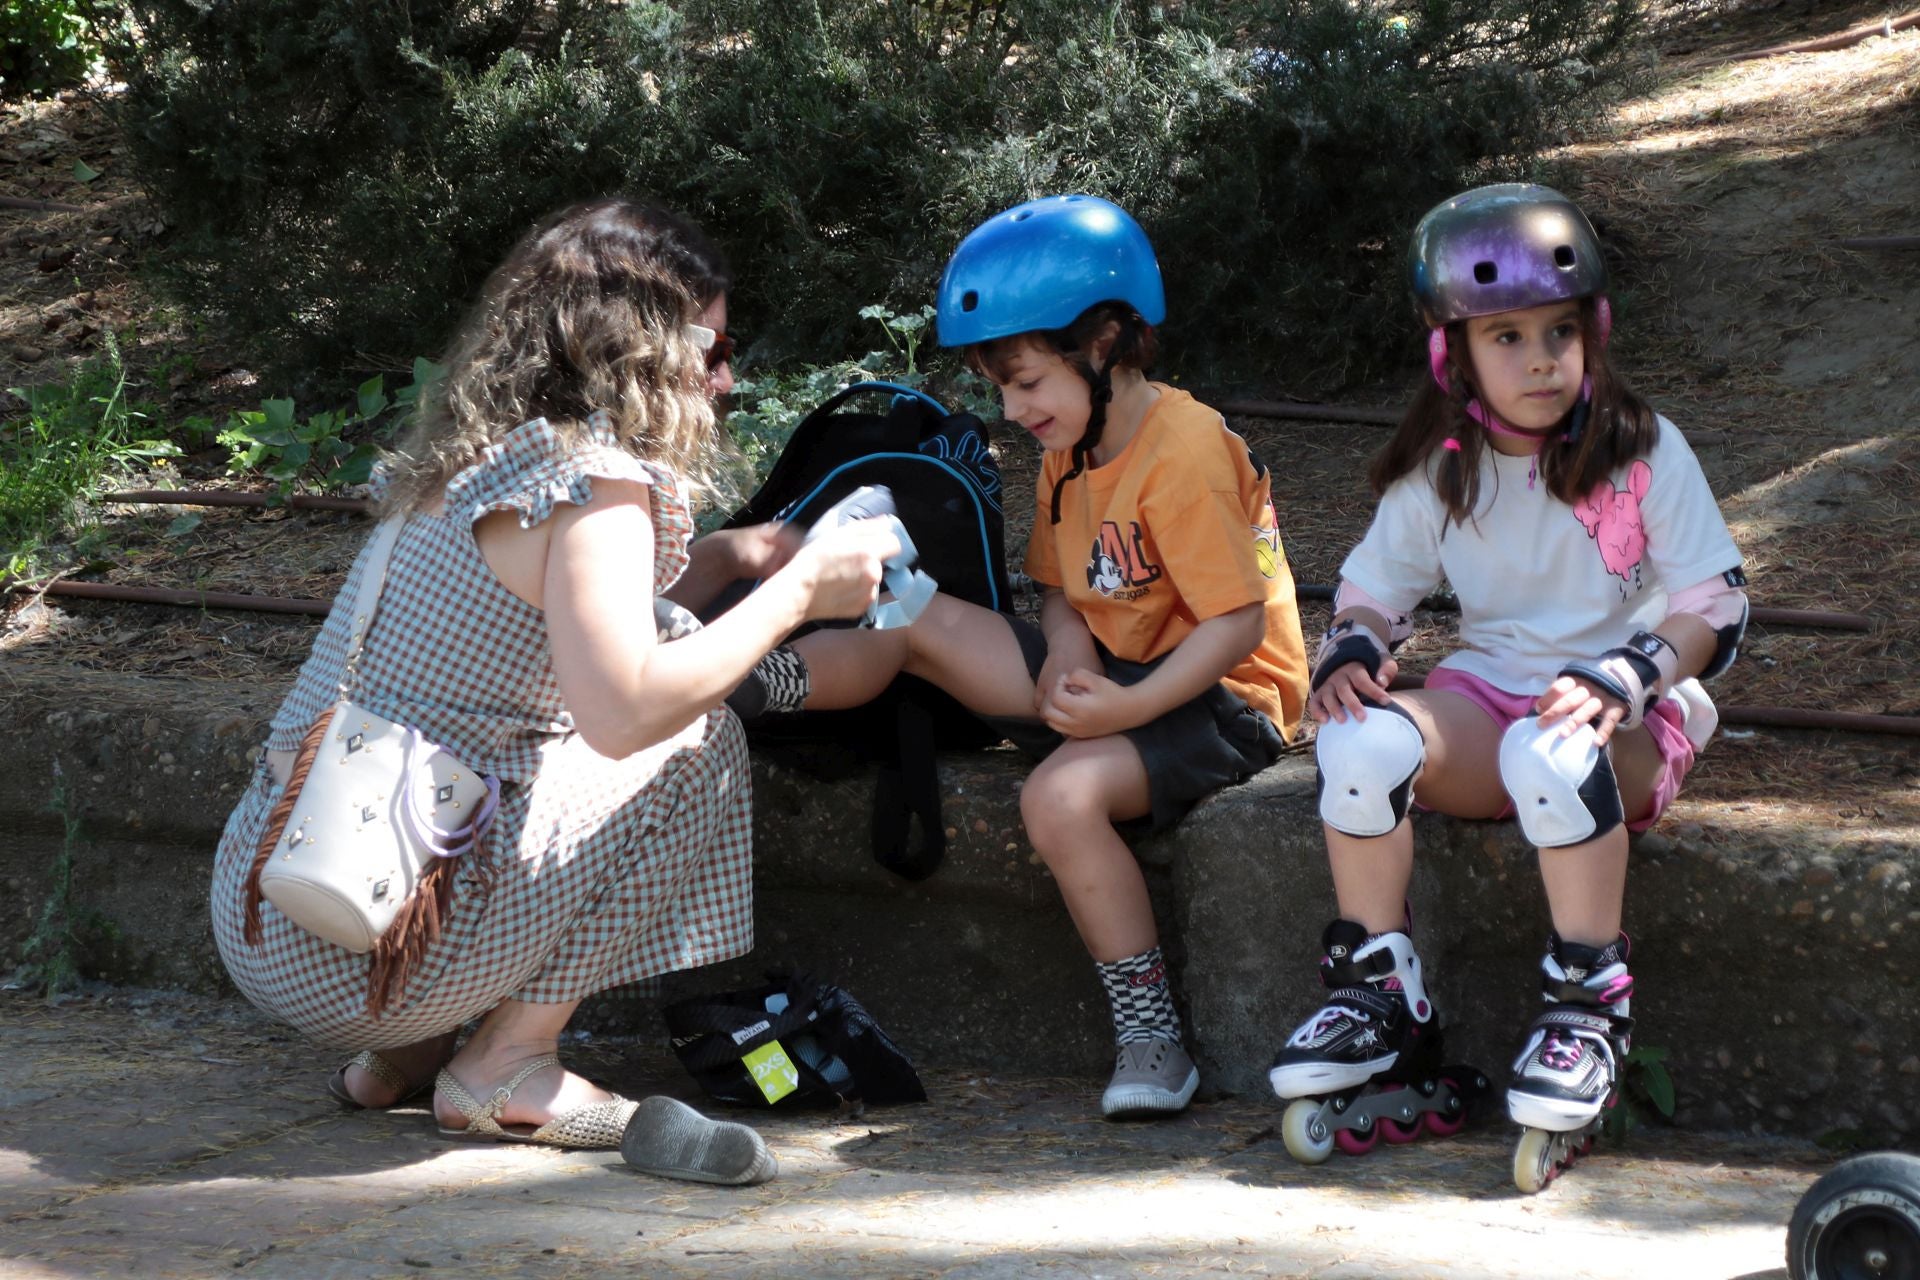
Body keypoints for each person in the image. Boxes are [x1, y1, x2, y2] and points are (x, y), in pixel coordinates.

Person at [209, 197, 899, 1181]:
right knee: (696, 740)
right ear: (640, 349)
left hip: (272, 910)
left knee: (582, 690)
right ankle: (504, 1063)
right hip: (382, 951)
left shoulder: (469, 456)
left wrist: (710, 562)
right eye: (712, 347)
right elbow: (622, 716)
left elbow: (540, 635)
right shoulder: (597, 482)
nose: (726, 377)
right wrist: (795, 593)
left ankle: (404, 1054)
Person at [730, 194, 1310, 1118]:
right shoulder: (1072, 448)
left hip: (1221, 698)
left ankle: (1152, 1035)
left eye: (1028, 381)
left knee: (1057, 795)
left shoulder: (1186, 453)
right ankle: (742, 687)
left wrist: (1120, 709)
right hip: (1116, 675)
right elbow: (1060, 591)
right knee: (913, 613)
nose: (1013, 408)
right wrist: (1063, 655)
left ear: (1109, 342)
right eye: (1002, 388)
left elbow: (1237, 626)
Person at [1267, 184, 1747, 1154]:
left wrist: (1630, 671)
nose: (1540, 358)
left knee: (1551, 752)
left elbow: (1716, 601)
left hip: (1622, 718)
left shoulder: (1642, 450)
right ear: (1455, 353)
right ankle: (1379, 991)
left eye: (1559, 333)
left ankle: (1586, 1001)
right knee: (1360, 739)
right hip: (1490, 700)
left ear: (1593, 333)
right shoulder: (1442, 465)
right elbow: (1372, 586)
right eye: (1510, 337)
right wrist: (1355, 645)